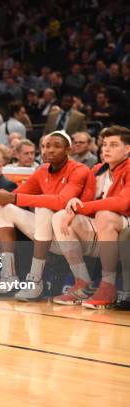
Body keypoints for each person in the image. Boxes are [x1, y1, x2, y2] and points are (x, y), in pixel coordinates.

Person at [0, 131, 95, 300]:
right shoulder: (42, 170)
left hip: (74, 235)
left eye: (56, 146)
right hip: (49, 235)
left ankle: (35, 280)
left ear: (68, 150)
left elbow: (61, 201)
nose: (48, 150)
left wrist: (13, 197)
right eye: (45, 146)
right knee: (5, 209)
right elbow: (16, 195)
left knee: (43, 207)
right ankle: (8, 277)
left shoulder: (80, 169)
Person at [52, 126, 129, 308]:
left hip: (124, 220)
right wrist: (73, 205)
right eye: (104, 145)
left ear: (127, 149)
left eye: (113, 145)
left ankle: (108, 285)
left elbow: (123, 203)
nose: (106, 149)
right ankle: (82, 282)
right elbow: (84, 200)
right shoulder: (97, 169)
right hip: (102, 224)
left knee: (105, 214)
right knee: (60, 216)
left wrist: (82, 207)